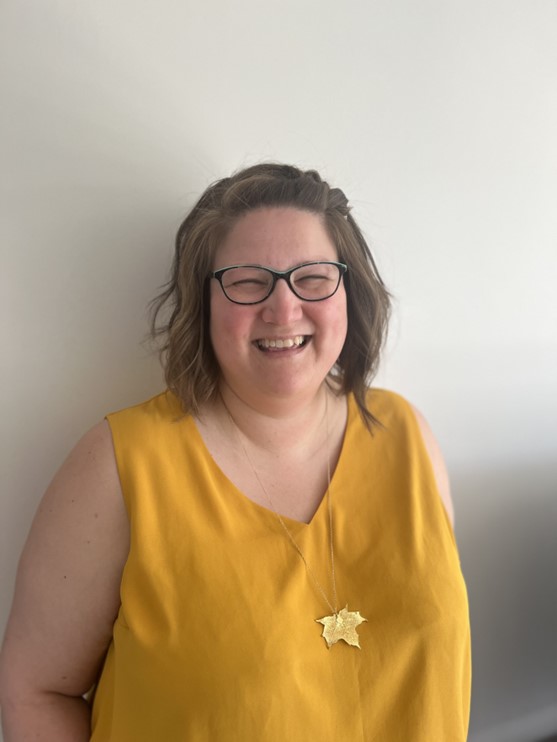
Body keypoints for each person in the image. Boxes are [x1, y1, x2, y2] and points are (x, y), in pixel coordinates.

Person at [0, 163, 471, 740]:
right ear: (204, 304)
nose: (283, 308)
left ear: (349, 291)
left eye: (313, 276)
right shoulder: (121, 466)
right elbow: (35, 691)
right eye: (248, 280)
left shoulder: (408, 435)